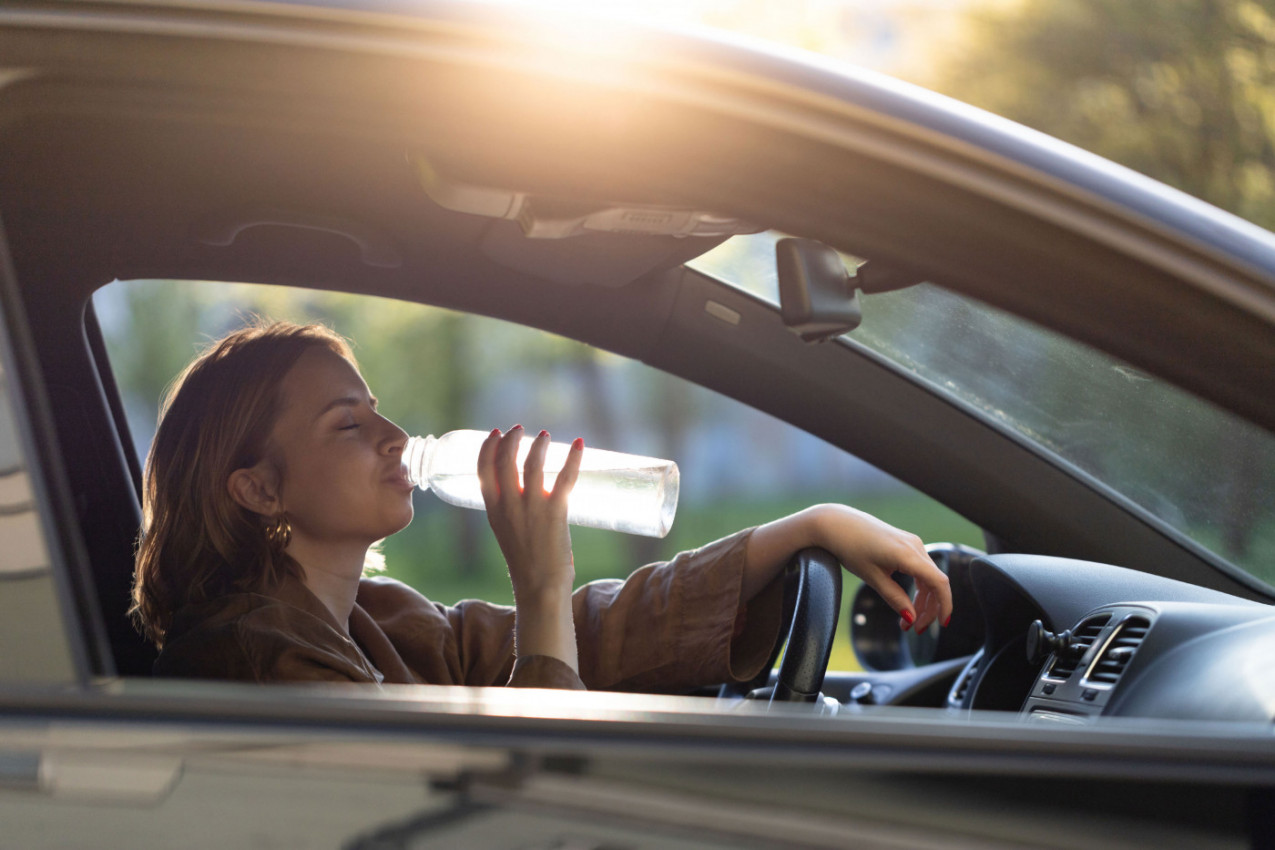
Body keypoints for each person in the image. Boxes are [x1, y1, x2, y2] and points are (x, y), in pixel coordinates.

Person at [131, 320, 952, 691]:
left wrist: (803, 529)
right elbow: (515, 807)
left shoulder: (371, 619)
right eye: (348, 424)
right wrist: (540, 590)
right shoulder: (257, 663)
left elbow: (595, 634)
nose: (392, 434)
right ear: (258, 489)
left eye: (378, 408)